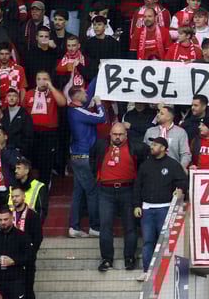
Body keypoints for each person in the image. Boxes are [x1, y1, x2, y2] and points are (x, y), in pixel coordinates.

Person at [92, 123, 145, 272]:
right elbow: (92, 160)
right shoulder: (101, 145)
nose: (117, 137)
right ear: (110, 134)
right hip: (105, 191)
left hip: (127, 190)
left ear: (126, 135)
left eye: (120, 134)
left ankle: (129, 258)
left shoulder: (136, 147)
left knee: (130, 227)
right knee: (105, 226)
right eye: (115, 134)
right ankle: (107, 259)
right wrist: (97, 177)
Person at [134, 137, 187, 281]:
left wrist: (181, 189)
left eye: (155, 144)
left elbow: (183, 180)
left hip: (165, 208)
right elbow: (138, 186)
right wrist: (137, 205)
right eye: (152, 144)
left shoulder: (172, 164)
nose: (152, 147)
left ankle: (164, 273)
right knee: (148, 241)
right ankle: (147, 271)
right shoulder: (145, 165)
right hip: (147, 208)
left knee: (164, 241)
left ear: (163, 148)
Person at [66, 91, 105, 238]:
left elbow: (93, 87)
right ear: (76, 97)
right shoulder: (78, 112)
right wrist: (99, 104)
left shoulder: (73, 110)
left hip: (76, 156)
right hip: (84, 157)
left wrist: (101, 69)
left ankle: (74, 226)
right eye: (83, 92)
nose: (86, 94)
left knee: (78, 192)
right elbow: (102, 118)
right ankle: (94, 227)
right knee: (92, 192)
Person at [0, 207, 32, 299]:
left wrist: (14, 261)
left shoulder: (22, 236)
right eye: (0, 220)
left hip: (16, 280)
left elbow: (30, 257)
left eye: (5, 219)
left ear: (12, 219)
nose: (3, 222)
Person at [142, 104, 192, 168]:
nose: (158, 115)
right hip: (152, 169)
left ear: (169, 117)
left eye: (161, 113)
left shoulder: (180, 132)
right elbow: (143, 152)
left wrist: (180, 169)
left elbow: (185, 154)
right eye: (158, 113)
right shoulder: (150, 131)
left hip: (173, 170)